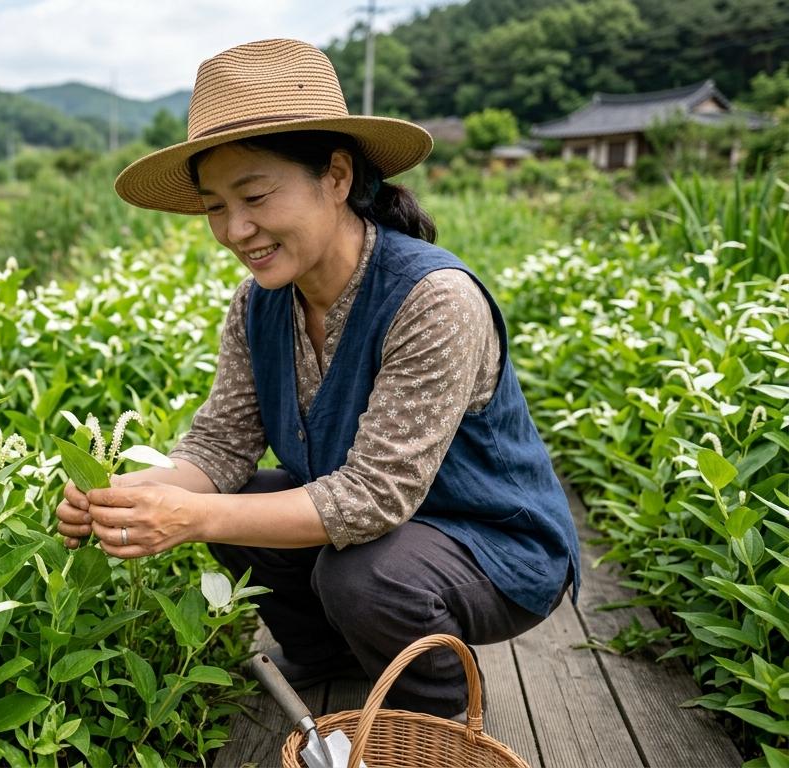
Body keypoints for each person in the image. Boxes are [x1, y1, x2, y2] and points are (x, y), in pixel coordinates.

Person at [53, 38, 581, 719]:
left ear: (335, 175)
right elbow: (218, 450)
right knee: (244, 498)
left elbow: (373, 499)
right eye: (216, 206)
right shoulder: (258, 303)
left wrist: (191, 515)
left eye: (255, 196)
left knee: (361, 573)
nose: (236, 230)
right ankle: (328, 655)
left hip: (493, 549)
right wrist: (120, 495)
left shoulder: (434, 298)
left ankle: (434, 713)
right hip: (396, 536)